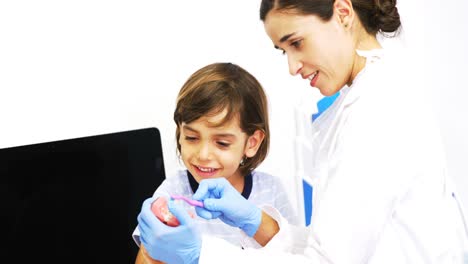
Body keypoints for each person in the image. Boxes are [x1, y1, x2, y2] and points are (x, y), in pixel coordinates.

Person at [136, 0, 468, 263]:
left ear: (342, 13)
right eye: (284, 50)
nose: (292, 67)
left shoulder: (380, 111)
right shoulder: (356, 103)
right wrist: (253, 219)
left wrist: (201, 255)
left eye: (296, 43)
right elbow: (331, 245)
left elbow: (326, 261)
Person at [134, 62, 299, 263]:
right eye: (191, 138)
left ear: (252, 143)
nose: (203, 154)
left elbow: (296, 255)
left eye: (221, 143)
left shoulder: (272, 190)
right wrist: (156, 244)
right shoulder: (173, 192)